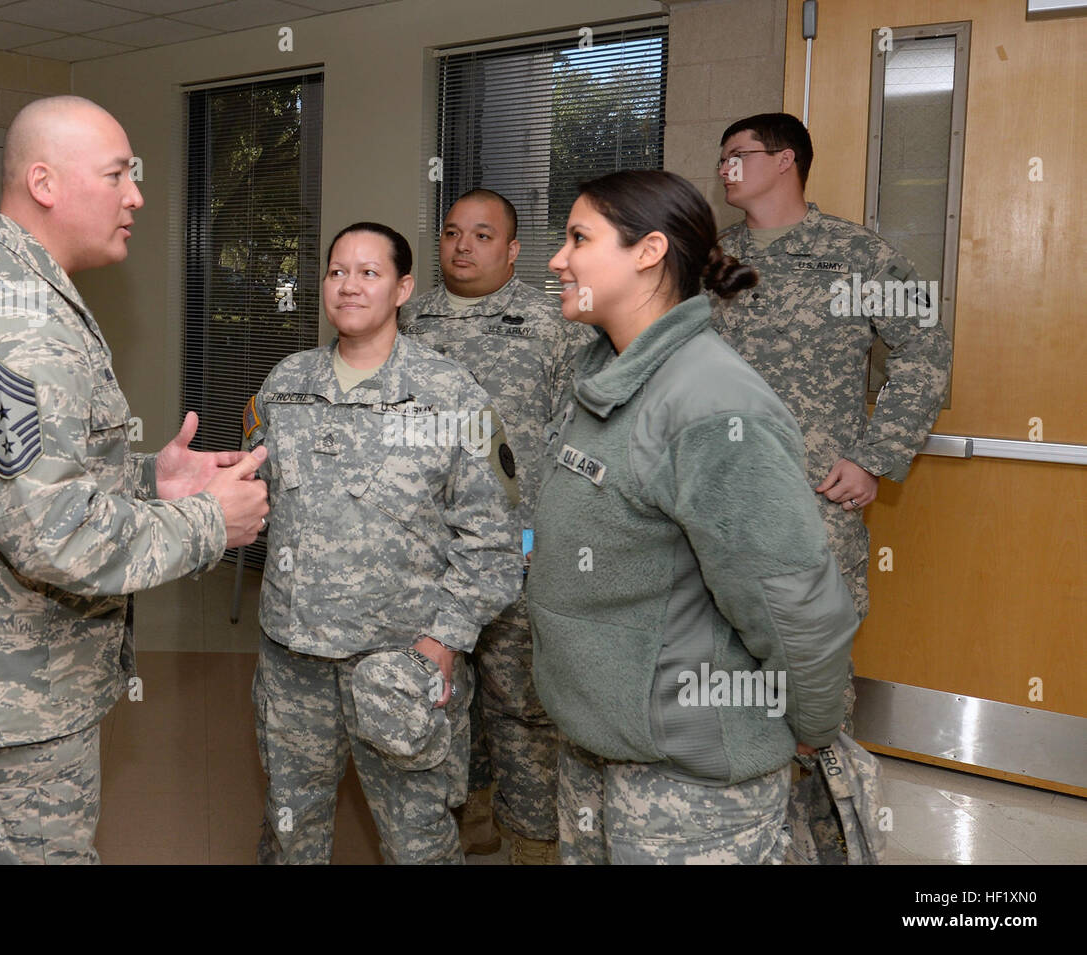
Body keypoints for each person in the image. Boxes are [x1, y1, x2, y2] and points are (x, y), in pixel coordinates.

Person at [0, 95, 269, 865]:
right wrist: (206, 524)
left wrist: (148, 479)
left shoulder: (28, 293)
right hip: (0, 704)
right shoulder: (17, 320)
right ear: (45, 182)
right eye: (119, 174)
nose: (137, 196)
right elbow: (52, 533)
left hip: (10, 688)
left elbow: (21, 474)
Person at [526, 170, 861, 864]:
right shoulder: (605, 373)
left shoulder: (710, 402)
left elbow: (792, 598)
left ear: (648, 251)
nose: (558, 259)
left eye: (578, 238)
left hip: (690, 781)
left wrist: (813, 723)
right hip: (598, 746)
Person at [711, 113, 951, 858]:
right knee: (725, 674)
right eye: (719, 159)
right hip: (717, 506)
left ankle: (832, 844)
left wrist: (875, 455)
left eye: (739, 156)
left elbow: (925, 350)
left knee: (814, 688)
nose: (725, 169)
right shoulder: (714, 261)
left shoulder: (854, 255)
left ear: (786, 161)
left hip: (814, 506)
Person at [246, 222, 521, 864]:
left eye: (369, 273)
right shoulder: (285, 384)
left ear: (403, 288)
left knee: (418, 841)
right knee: (291, 830)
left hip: (399, 665)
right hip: (294, 660)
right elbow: (253, 496)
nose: (349, 285)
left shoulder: (452, 394)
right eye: (337, 271)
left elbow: (495, 539)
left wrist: (443, 642)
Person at [398, 188, 594, 863]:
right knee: (441, 698)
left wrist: (554, 534)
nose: (463, 246)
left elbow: (582, 435)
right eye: (453, 232)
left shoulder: (555, 321)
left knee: (523, 706)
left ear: (513, 250)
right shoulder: (408, 319)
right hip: (426, 550)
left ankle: (532, 840)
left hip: (522, 547)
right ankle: (467, 819)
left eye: (483, 235)